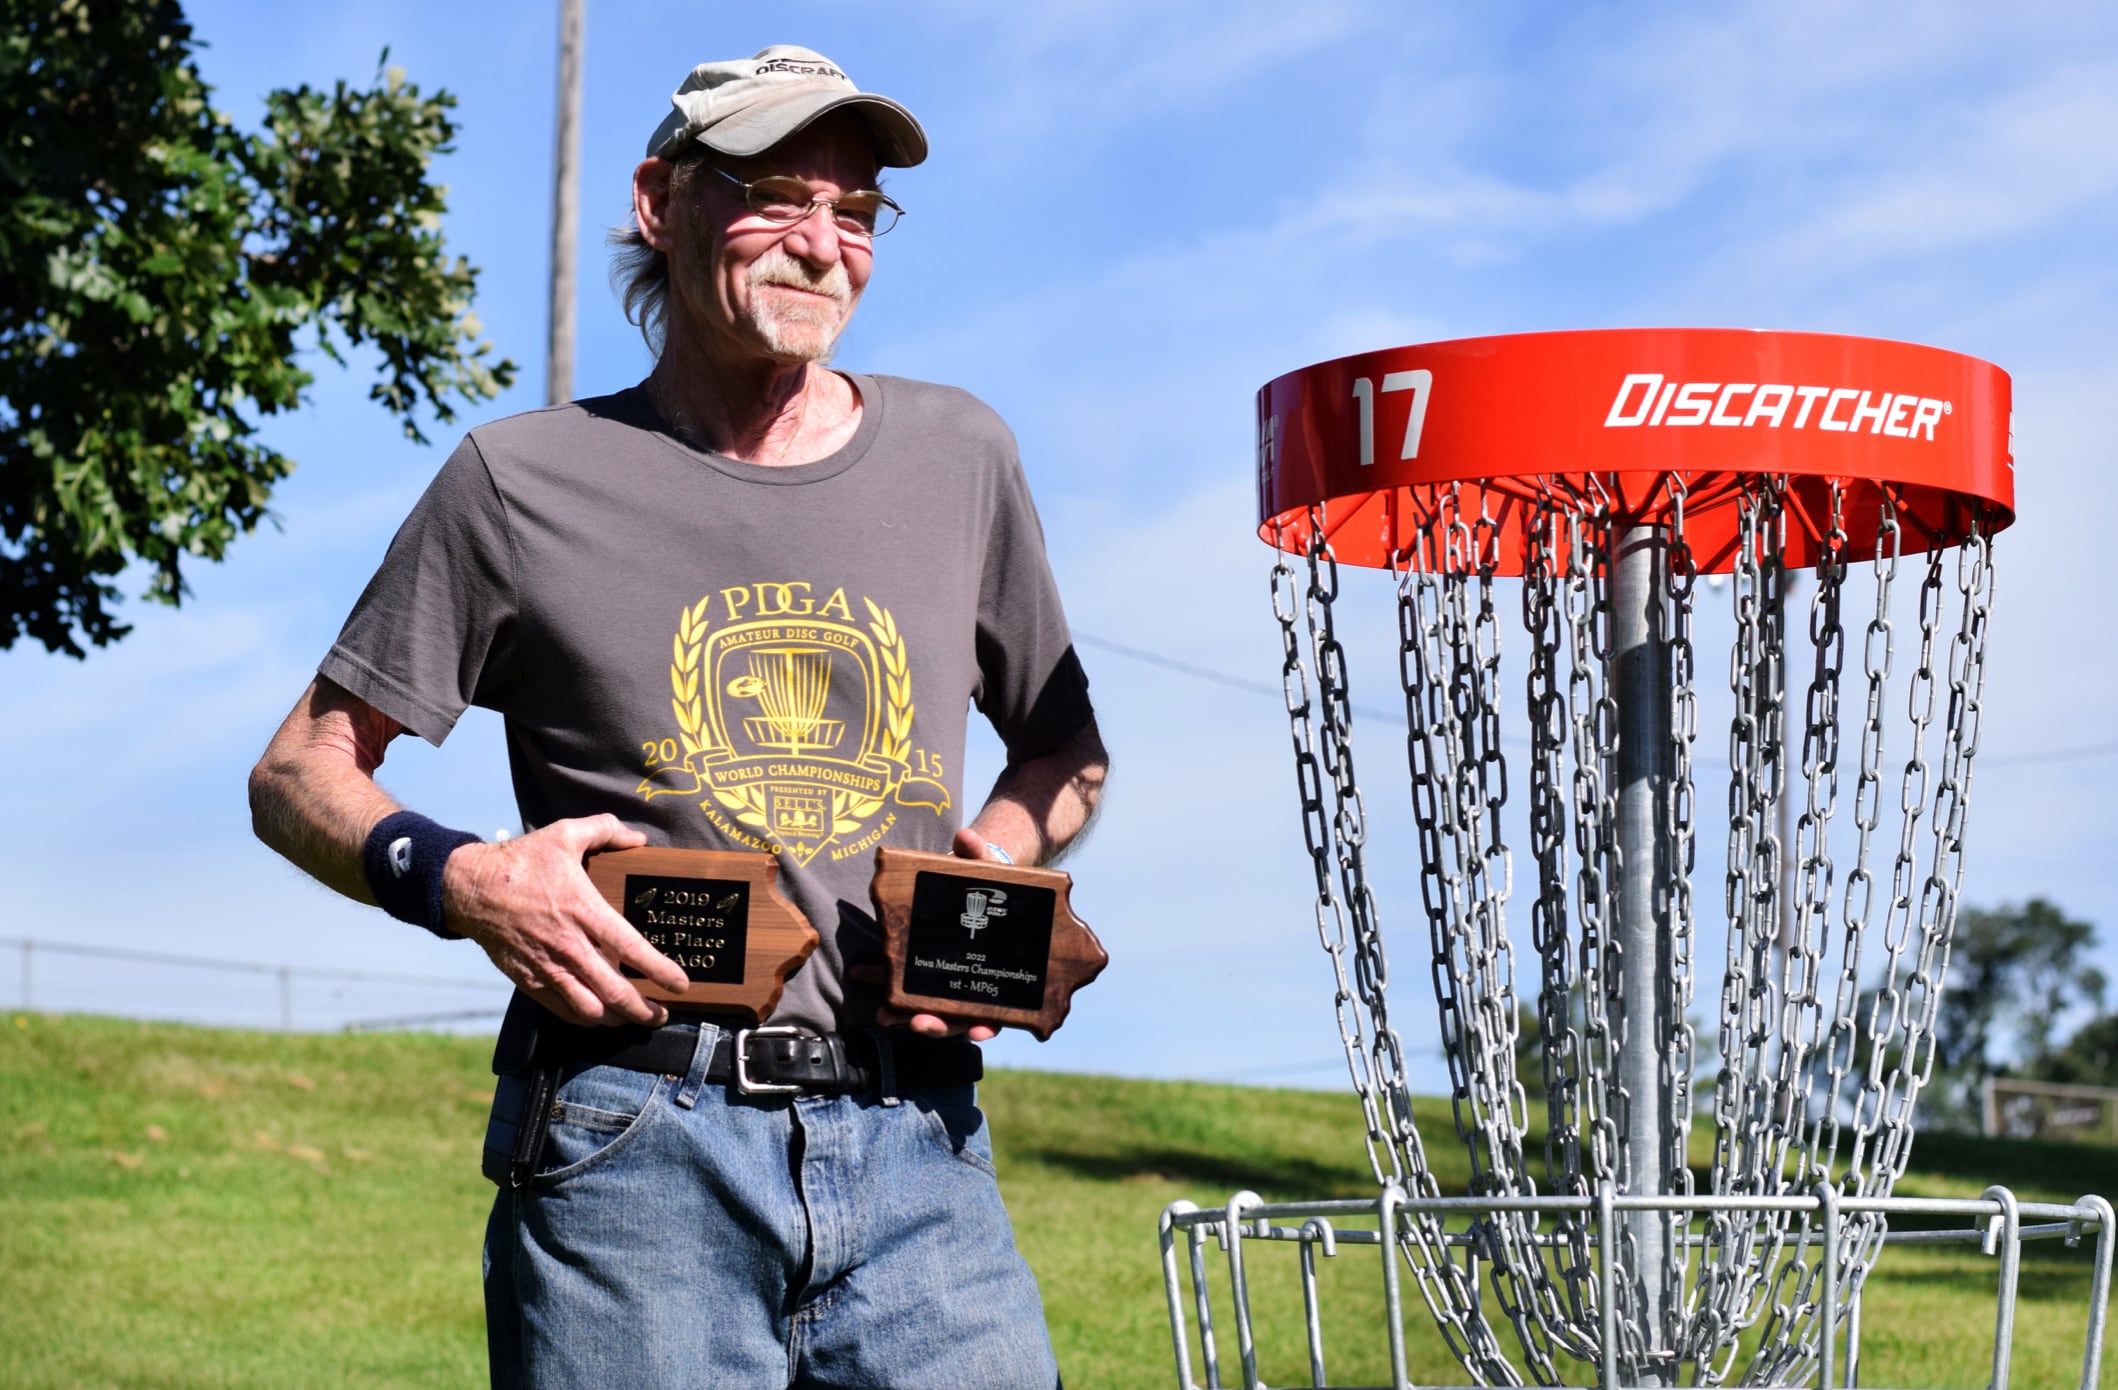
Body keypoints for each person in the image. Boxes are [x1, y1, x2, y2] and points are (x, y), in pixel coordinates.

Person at [248, 45, 1106, 1389]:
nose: (823, 247)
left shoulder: (962, 456)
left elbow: (1064, 754)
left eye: (857, 210)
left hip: (920, 1148)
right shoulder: (518, 482)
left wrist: (987, 876)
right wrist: (465, 878)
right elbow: (299, 768)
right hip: (629, 1143)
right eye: (777, 195)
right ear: (660, 200)